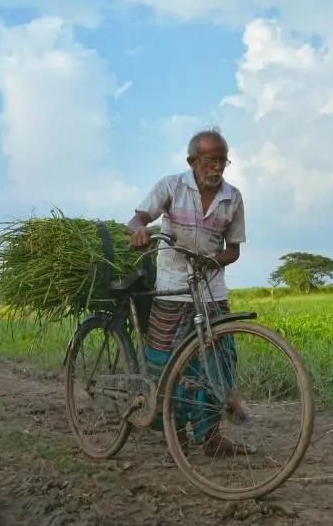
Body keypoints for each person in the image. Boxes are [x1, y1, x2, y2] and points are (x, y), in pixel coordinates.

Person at [126, 127, 250, 456]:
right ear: (193, 161)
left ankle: (210, 436)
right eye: (210, 161)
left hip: (211, 290)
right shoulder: (171, 186)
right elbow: (136, 221)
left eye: (223, 161)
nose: (217, 168)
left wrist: (211, 260)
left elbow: (233, 250)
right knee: (165, 364)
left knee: (217, 362)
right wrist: (140, 233)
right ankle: (174, 430)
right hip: (172, 286)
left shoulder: (232, 197)